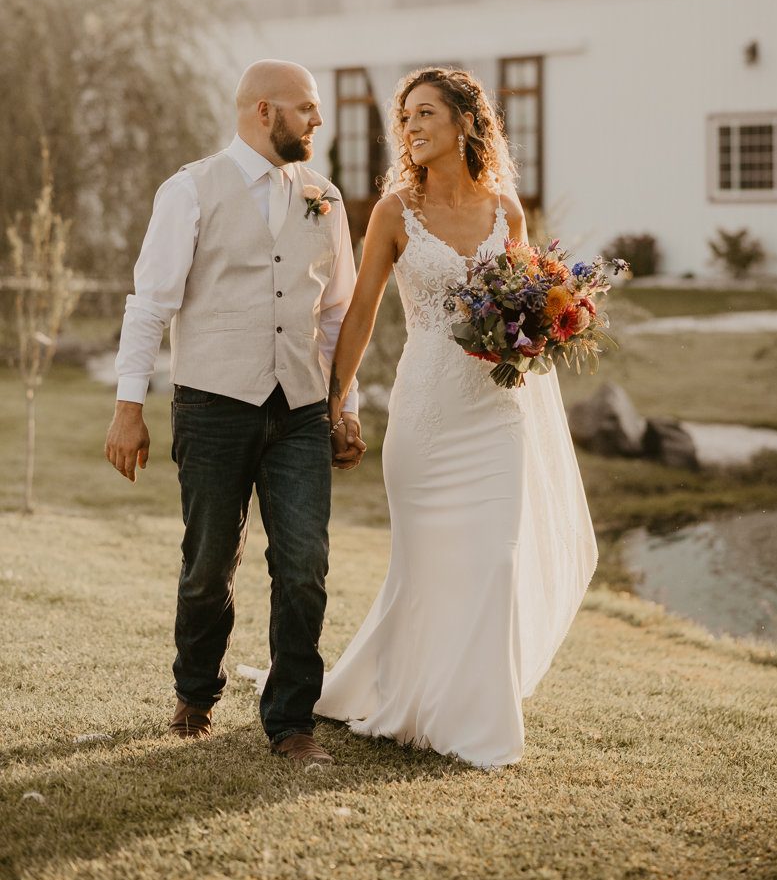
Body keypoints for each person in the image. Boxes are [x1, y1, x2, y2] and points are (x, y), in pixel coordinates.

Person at [315, 67, 597, 769]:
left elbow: (530, 300)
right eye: (405, 116)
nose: (410, 126)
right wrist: (334, 405)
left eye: (426, 113)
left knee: (494, 561)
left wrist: (544, 326)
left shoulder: (507, 212)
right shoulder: (393, 212)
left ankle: (475, 721)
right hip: (427, 411)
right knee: (426, 564)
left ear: (467, 124)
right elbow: (361, 316)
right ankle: (410, 697)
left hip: (497, 412)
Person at [104, 60, 365, 764]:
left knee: (305, 564)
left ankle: (291, 722)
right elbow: (150, 304)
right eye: (305, 108)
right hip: (215, 406)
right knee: (208, 563)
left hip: (304, 410)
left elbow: (338, 310)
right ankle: (196, 693)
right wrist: (130, 407)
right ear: (263, 112)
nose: (317, 121)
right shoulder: (189, 189)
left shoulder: (326, 197)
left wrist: (345, 405)